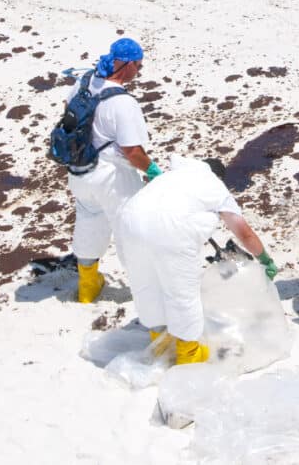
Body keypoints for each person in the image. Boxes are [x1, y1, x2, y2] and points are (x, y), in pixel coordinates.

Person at [115, 155, 278, 366]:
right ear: (218, 177)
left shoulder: (172, 176)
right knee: (182, 293)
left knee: (147, 286)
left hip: (129, 223)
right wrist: (265, 259)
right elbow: (243, 233)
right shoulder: (214, 186)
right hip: (171, 230)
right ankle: (188, 354)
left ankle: (161, 345)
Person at [67, 37, 161, 303]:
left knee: (88, 223)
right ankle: (147, 293)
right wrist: (153, 172)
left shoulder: (83, 83)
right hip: (111, 177)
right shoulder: (122, 103)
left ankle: (87, 285)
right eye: (139, 67)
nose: (139, 73)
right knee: (129, 230)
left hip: (80, 169)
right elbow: (132, 151)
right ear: (128, 65)